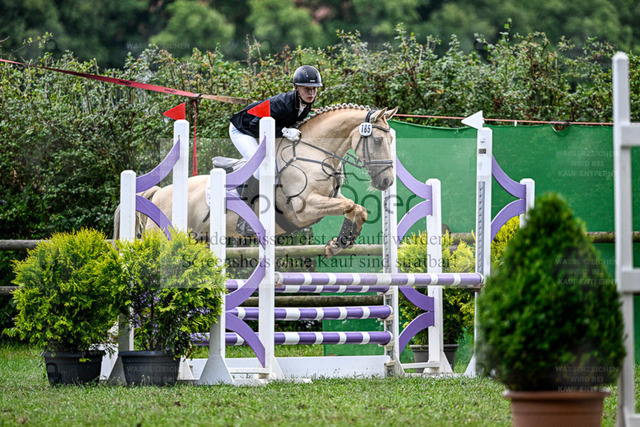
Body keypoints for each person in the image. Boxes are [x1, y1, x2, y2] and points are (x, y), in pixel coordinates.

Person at [229, 65, 323, 235]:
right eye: (307, 89)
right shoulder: (283, 104)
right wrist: (285, 131)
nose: (311, 93)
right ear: (297, 88)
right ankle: (244, 219)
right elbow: (255, 125)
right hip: (243, 130)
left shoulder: (305, 104)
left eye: (314, 89)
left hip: (263, 132)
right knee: (262, 168)